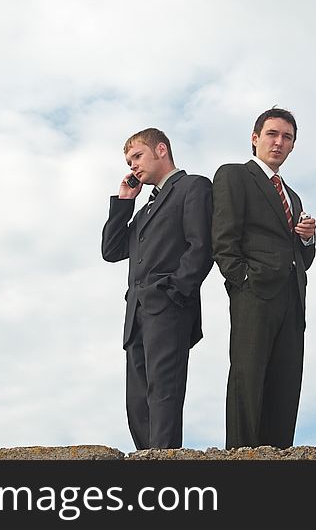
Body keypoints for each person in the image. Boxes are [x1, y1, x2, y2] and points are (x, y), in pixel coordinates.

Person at [101, 128, 213, 450]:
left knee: (163, 395)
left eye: (137, 156)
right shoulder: (145, 210)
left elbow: (201, 247)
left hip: (168, 308)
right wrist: (124, 202)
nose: (133, 166)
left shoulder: (193, 187)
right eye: (129, 160)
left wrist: (175, 293)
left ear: (161, 150)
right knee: (137, 402)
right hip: (135, 314)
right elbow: (112, 250)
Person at [212, 107, 316, 449]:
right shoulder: (233, 175)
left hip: (291, 297)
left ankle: (279, 455)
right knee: (248, 377)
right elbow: (224, 238)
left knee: (286, 383)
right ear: (255, 139)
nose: (279, 142)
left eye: (287, 137)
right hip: (254, 292)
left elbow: (303, 258)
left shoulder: (293, 195)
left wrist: (306, 238)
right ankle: (241, 456)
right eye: (272, 134)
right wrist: (242, 279)